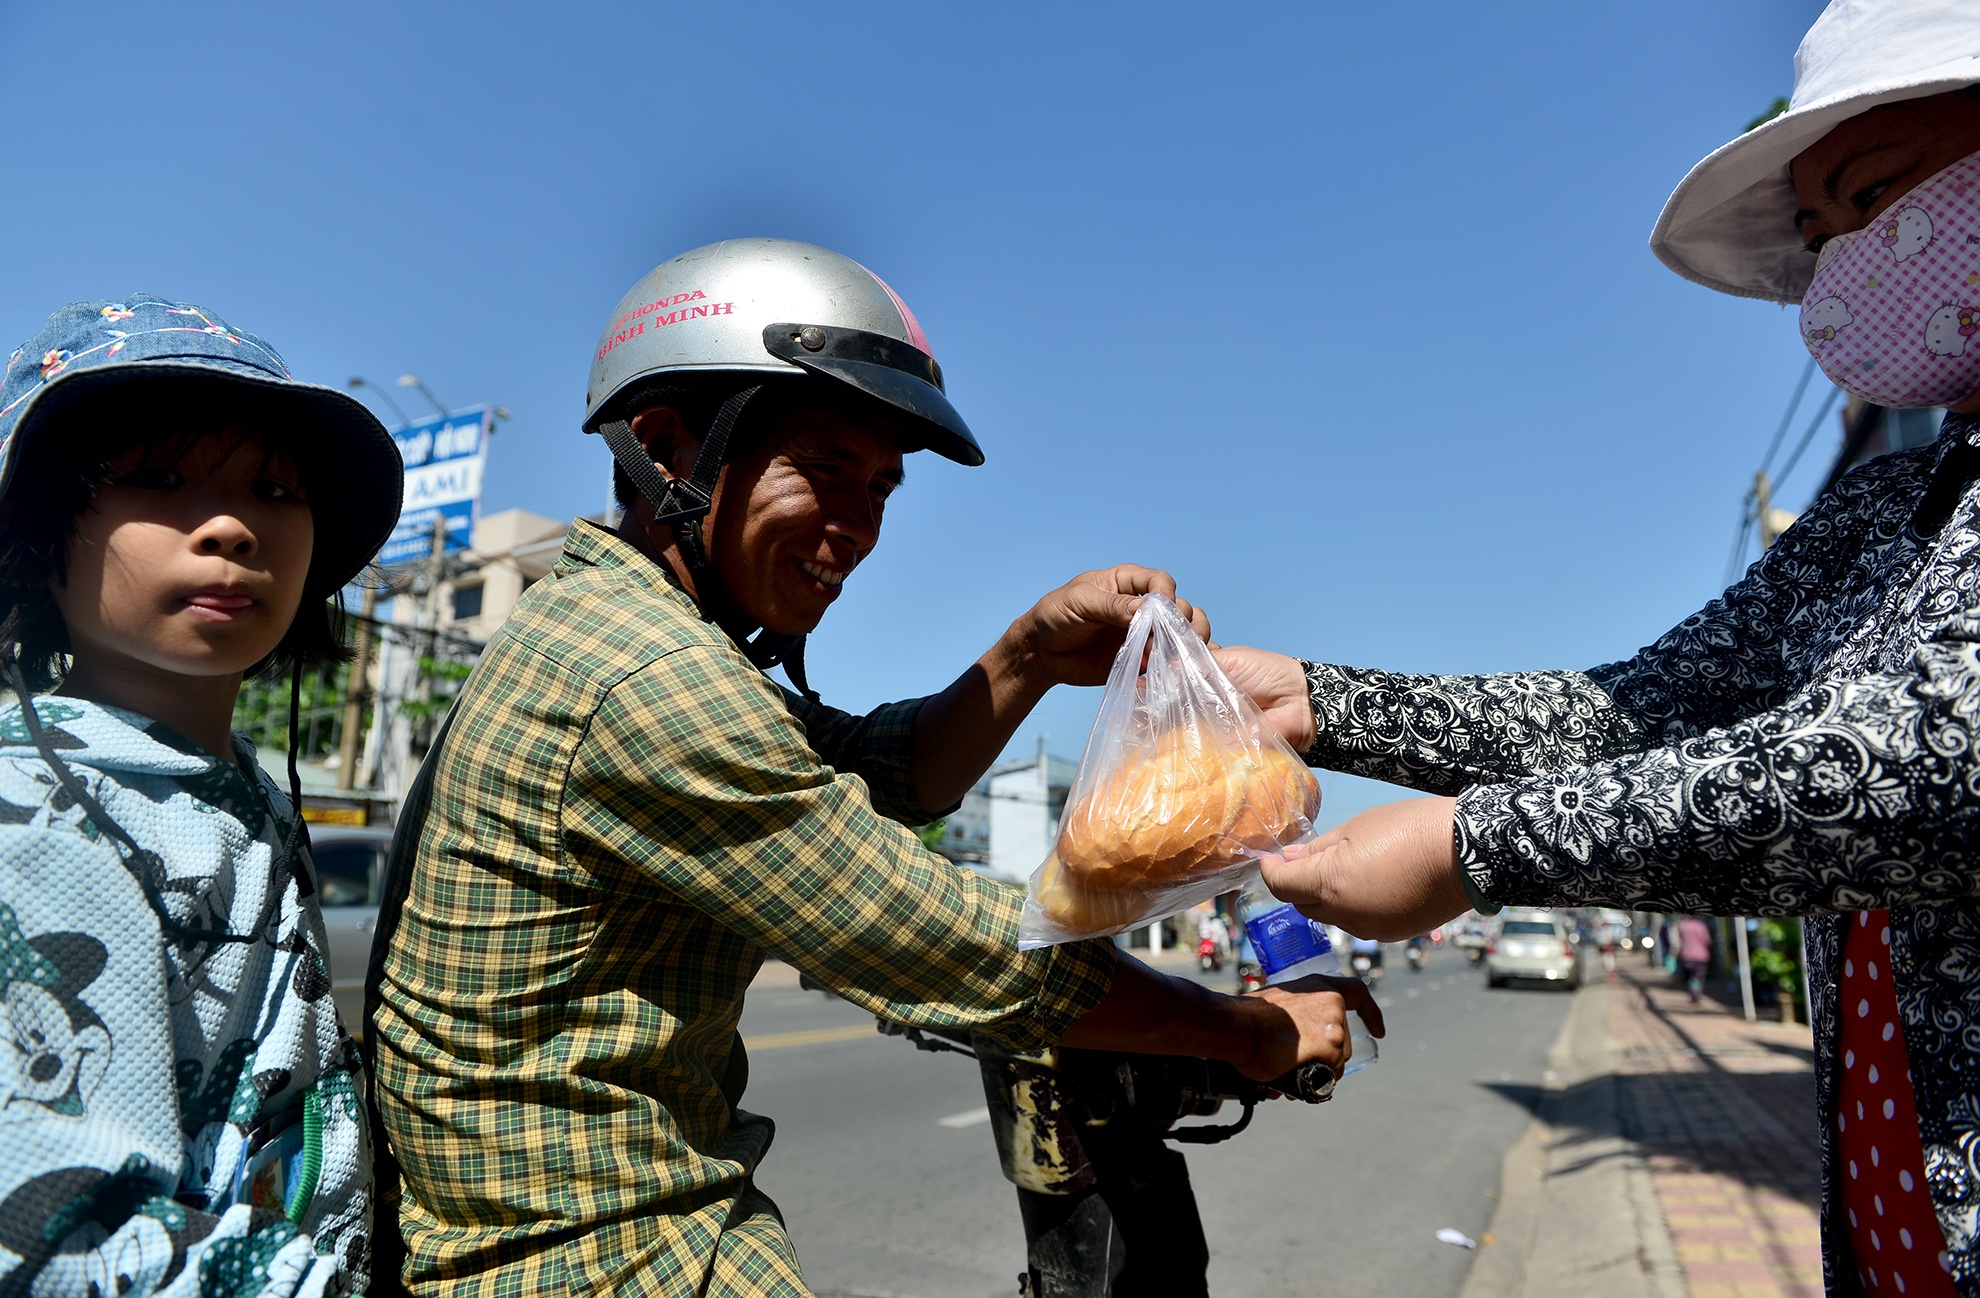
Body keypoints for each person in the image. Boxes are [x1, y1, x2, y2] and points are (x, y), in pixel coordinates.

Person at [364, 239, 1378, 1298]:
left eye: (884, 487)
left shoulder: (615, 627)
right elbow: (945, 946)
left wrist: (1029, 653)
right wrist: (1251, 1028)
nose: (856, 527)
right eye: (825, 466)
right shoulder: (647, 676)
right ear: (667, 447)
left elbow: (878, 773)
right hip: (602, 1255)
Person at [1214, 4, 1980, 1292]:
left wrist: (1479, 846)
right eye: (1818, 236)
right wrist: (1320, 700)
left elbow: (1929, 765)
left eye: (1872, 193)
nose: (1844, 259)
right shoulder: (1895, 503)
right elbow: (1643, 708)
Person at [0, 296, 402, 1295]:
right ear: (43, 530)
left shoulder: (242, 791)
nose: (230, 526)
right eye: (160, 479)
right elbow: (66, 1237)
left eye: (275, 488)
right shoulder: (38, 804)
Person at [1675, 915, 1714, 1003]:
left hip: (1686, 955)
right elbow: (1707, 940)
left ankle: (1693, 993)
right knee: (1698, 976)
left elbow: (1679, 939)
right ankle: (1695, 994)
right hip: (1700, 955)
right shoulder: (1701, 926)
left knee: (1690, 976)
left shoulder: (1681, 925)